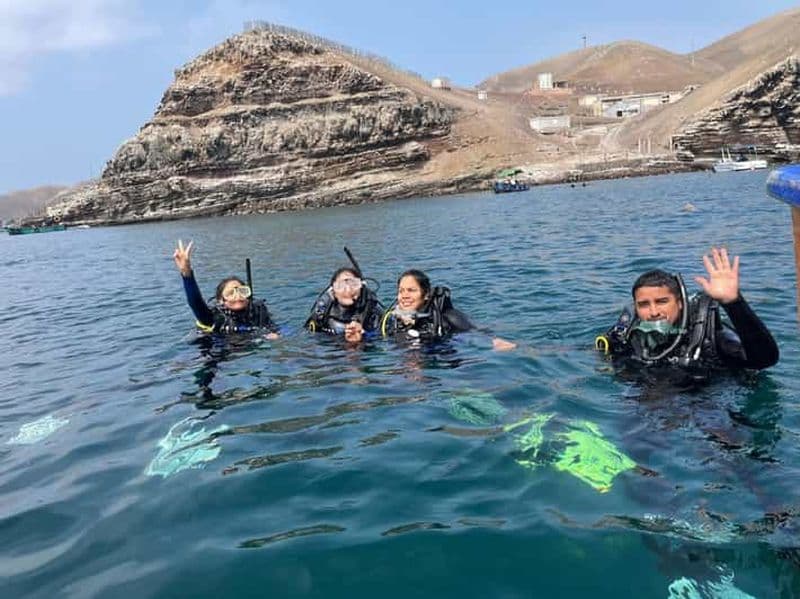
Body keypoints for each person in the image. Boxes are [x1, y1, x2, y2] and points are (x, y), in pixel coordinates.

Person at [596, 247, 778, 371]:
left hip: (704, 405)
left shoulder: (709, 338)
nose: (653, 312)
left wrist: (733, 302)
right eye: (644, 304)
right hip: (647, 400)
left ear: (680, 303)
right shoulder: (630, 337)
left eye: (662, 301)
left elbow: (764, 360)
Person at [381, 269, 516, 350]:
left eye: (411, 290)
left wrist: (492, 341)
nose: (404, 296)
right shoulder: (391, 321)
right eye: (401, 291)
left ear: (426, 294)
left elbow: (474, 333)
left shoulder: (448, 317)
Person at [173, 239, 279, 337]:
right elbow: (196, 303)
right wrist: (187, 274)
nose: (237, 296)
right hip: (219, 353)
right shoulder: (213, 317)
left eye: (242, 291)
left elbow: (277, 328)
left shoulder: (258, 312)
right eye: (230, 293)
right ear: (221, 300)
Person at [305, 267, 383, 344]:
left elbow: (382, 337)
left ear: (361, 288)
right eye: (340, 286)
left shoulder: (373, 313)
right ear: (333, 291)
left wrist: (363, 336)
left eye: (354, 284)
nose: (348, 290)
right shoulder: (323, 313)